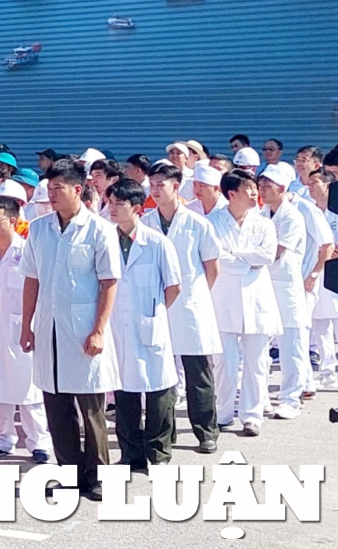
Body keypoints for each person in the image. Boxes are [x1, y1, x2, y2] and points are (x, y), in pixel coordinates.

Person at [21, 157, 120, 502]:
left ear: (78, 190)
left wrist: (98, 329)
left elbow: (109, 282)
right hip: (48, 328)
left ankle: (96, 477)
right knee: (56, 407)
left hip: (82, 330)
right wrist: (27, 324)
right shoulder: (38, 228)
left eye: (58, 189)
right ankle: (68, 472)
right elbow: (31, 279)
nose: (52, 195)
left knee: (90, 409)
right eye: (49, 189)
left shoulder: (99, 229)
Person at [143, 160, 221, 452]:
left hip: (190, 306)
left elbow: (211, 267)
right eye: (152, 185)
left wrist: (196, 296)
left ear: (176, 187)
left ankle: (206, 432)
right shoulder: (146, 223)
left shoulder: (198, 223)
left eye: (160, 185)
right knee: (162, 373)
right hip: (158, 305)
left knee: (197, 373)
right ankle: (165, 433)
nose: (155, 190)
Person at [106, 180, 181, 473]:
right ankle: (130, 454)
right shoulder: (106, 239)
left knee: (159, 392)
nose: (112, 209)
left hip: (150, 323)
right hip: (117, 326)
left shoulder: (158, 242)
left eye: (118, 204)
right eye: (110, 203)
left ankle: (159, 453)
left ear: (136, 208)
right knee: (123, 394)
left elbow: (173, 286)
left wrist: (154, 311)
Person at [0, 192, 50, 460]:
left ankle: (39, 441)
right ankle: (2, 438)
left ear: (14, 221)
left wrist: (30, 325)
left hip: (22, 329)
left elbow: (38, 292)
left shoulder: (28, 252)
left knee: (29, 389)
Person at [209, 168, 279, 434]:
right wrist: (245, 261)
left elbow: (267, 256)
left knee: (257, 362)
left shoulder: (264, 223)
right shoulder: (213, 222)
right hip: (223, 300)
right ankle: (223, 413)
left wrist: (235, 257)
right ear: (232, 193)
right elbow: (216, 257)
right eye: (249, 188)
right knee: (225, 363)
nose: (255, 192)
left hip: (257, 300)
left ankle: (252, 416)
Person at [257, 165, 311, 417]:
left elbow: (277, 251)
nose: (262, 190)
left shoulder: (292, 216)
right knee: (261, 341)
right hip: (264, 284)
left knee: (292, 343)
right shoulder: (261, 213)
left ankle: (291, 398)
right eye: (261, 186)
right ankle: (261, 397)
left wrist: (250, 259)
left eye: (267, 186)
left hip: (287, 285)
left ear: (281, 189)